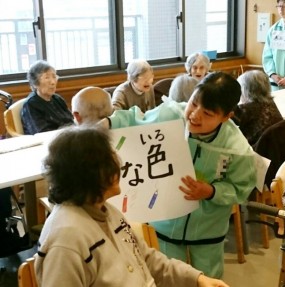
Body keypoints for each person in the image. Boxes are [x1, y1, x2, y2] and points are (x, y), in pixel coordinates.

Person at [102, 72, 257, 278]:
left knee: (208, 277)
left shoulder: (236, 149)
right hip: (165, 222)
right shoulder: (171, 116)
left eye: (208, 114)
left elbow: (241, 189)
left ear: (227, 116)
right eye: (194, 104)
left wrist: (211, 191)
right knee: (166, 276)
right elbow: (137, 121)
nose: (195, 115)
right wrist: (107, 124)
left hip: (207, 231)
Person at [35, 126, 229, 287]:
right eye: (110, 161)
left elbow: (145, 258)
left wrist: (197, 279)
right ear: (88, 174)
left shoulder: (106, 210)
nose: (119, 166)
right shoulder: (65, 240)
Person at [21, 60, 74, 135]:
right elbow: (41, 133)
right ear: (35, 83)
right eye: (47, 77)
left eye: (54, 77)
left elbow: (71, 121)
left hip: (66, 137)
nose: (53, 82)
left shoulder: (57, 99)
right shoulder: (31, 104)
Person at [232, 70, 283, 146]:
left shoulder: (244, 109)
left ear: (246, 90)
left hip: (257, 150)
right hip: (278, 147)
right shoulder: (270, 103)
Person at [262, 0, 285, 91]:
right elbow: (267, 56)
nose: (280, 10)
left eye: (284, 6)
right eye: (278, 6)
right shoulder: (273, 30)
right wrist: (272, 74)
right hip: (275, 84)